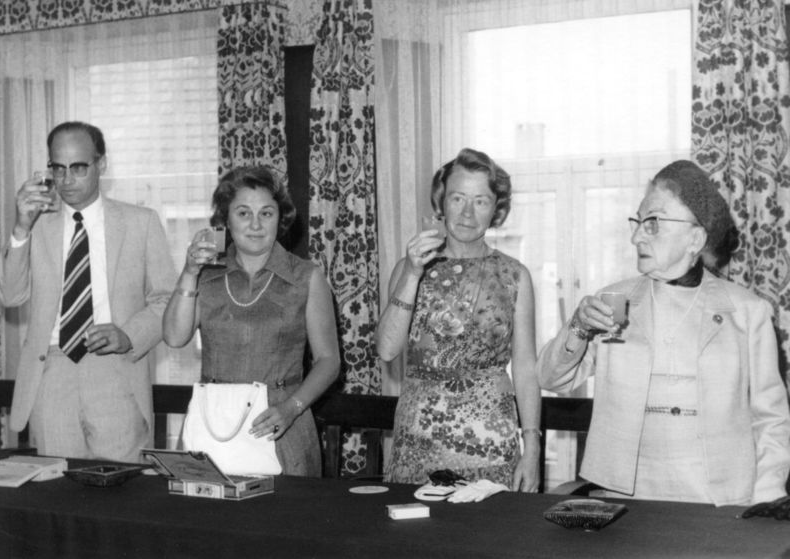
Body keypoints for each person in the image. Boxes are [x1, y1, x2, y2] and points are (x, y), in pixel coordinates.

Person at [537, 160, 790, 506]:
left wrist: (765, 498)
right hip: (627, 498)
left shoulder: (747, 312)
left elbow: (771, 419)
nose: (636, 236)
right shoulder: (613, 301)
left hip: (720, 499)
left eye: (653, 223)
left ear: (695, 238)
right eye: (638, 222)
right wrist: (579, 326)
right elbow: (551, 378)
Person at [0, 121, 176, 462]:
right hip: (51, 374)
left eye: (78, 167)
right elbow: (10, 296)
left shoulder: (141, 222)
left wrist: (128, 335)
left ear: (101, 164)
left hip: (116, 369)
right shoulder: (35, 224)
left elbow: (167, 300)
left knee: (121, 485)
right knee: (57, 485)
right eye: (58, 168)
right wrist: (20, 228)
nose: (66, 179)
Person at [376, 148, 540, 491]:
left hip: (491, 445)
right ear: (442, 202)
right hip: (419, 441)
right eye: (458, 198)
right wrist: (412, 274)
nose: (467, 212)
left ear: (496, 208)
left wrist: (532, 446)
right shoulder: (410, 268)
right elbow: (387, 350)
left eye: (480, 201)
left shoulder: (515, 275)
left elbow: (525, 368)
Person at [163, 165, 340, 476]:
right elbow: (175, 337)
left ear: (280, 218)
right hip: (212, 424)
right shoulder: (206, 275)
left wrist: (292, 408)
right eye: (244, 213)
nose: (256, 224)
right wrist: (189, 272)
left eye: (266, 213)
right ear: (226, 219)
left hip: (280, 424)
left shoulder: (306, 277)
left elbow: (329, 361)